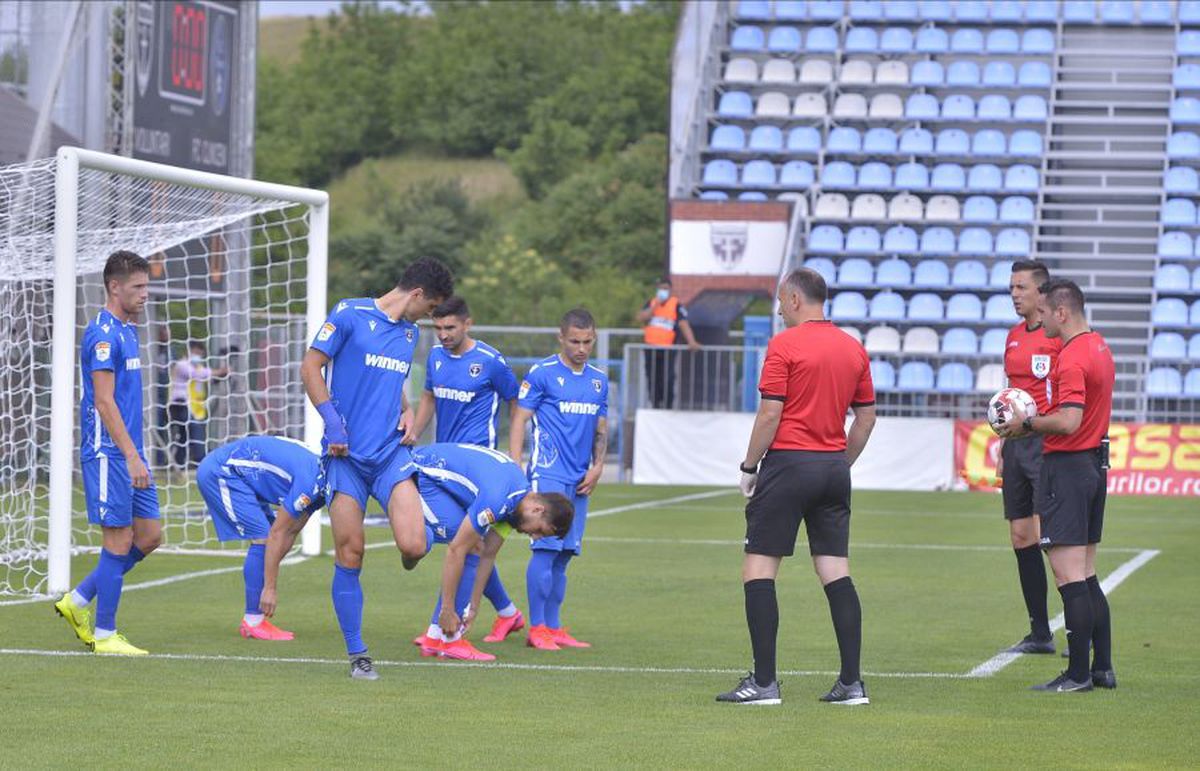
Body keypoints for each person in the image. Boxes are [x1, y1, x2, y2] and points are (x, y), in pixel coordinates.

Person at [717, 268, 876, 706]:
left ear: (792, 299)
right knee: (835, 571)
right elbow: (866, 418)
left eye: (781, 303)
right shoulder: (853, 348)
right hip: (831, 469)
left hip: (787, 464)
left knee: (759, 570)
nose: (780, 311)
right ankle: (851, 683)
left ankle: (764, 683)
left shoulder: (784, 344)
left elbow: (770, 414)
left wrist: (749, 465)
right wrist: (839, 463)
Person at [299, 256, 453, 680]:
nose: (432, 317)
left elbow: (389, 380)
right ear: (418, 294)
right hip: (345, 459)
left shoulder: (409, 333)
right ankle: (358, 654)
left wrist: (404, 410)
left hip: (388, 454)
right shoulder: (350, 314)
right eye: (432, 307)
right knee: (351, 551)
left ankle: (408, 554)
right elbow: (311, 366)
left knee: (415, 546)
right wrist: (331, 420)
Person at [998, 279, 1116, 693]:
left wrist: (1025, 424)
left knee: (1069, 576)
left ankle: (1078, 673)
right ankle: (1102, 668)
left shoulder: (1071, 357)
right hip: (1093, 464)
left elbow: (1068, 420)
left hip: (1067, 467)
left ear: (1061, 313)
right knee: (1087, 572)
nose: (1040, 319)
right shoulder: (1099, 346)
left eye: (1045, 313)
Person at [54, 251, 163, 655]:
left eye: (146, 286)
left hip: (131, 452)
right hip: (110, 454)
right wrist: (132, 455)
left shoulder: (128, 329)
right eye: (137, 287)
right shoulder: (102, 335)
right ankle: (104, 635)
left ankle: (78, 600)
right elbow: (103, 402)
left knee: (150, 536)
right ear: (113, 287)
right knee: (117, 542)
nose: (145, 294)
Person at [407, 297, 525, 646]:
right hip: (447, 466)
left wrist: (514, 455)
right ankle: (507, 613)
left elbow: (517, 403)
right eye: (438, 328)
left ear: (467, 324)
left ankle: (441, 629)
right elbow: (428, 396)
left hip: (480, 468)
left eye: (450, 328)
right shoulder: (436, 357)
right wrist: (415, 431)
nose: (443, 335)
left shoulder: (490, 362)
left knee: (467, 545)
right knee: (468, 545)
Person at [409, 443, 573, 661]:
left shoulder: (516, 504)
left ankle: (434, 638)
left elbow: (487, 554)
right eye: (541, 531)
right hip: (421, 474)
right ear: (538, 510)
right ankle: (449, 640)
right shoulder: (499, 500)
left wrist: (472, 608)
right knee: (467, 545)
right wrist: (448, 610)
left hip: (436, 477)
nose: (534, 537)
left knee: (476, 546)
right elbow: (456, 551)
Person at [509, 308, 609, 651]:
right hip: (548, 474)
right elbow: (520, 418)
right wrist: (515, 462)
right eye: (575, 341)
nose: (581, 348)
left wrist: (598, 467)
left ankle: (554, 626)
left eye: (587, 341)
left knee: (566, 554)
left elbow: (600, 426)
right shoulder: (542, 373)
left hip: (581, 477)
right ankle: (536, 627)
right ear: (561, 338)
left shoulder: (598, 379)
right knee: (545, 549)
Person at [196, 435, 328, 641]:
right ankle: (253, 622)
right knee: (264, 537)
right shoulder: (314, 480)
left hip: (245, 478)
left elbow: (292, 530)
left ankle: (255, 619)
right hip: (222, 471)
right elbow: (278, 533)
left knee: (268, 540)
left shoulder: (324, 481)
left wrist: (270, 568)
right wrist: (269, 587)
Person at [997, 260, 1061, 655]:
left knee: (1058, 538)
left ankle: (1079, 627)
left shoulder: (1057, 338)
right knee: (1022, 536)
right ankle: (1040, 632)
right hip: (1016, 446)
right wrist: (1004, 447)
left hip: (1047, 445)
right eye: (1012, 288)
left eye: (1021, 287)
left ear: (1042, 292)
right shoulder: (1013, 336)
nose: (1015, 295)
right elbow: (1010, 394)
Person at [636, 278, 700, 409]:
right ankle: (655, 404)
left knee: (667, 378)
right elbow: (641, 317)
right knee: (652, 377)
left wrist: (691, 341)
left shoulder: (676, 305)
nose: (663, 291)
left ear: (670, 290)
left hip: (668, 349)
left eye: (665, 288)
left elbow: (683, 323)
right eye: (661, 288)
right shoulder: (652, 303)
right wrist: (655, 306)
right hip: (651, 348)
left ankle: (667, 405)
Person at [168, 341, 228, 475]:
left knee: (184, 437)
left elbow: (205, 377)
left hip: (194, 407)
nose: (199, 355)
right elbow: (195, 374)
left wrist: (219, 373)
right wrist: (218, 371)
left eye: (201, 353)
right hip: (180, 404)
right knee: (194, 433)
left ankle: (179, 466)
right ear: (189, 351)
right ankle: (200, 462)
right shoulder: (182, 365)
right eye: (196, 352)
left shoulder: (199, 367)